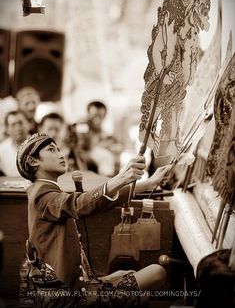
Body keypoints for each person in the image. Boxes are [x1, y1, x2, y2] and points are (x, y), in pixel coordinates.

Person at [16, 132, 170, 307]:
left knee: (135, 285)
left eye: (59, 149)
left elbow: (97, 202)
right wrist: (122, 177)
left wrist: (148, 184)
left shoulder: (46, 191)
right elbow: (80, 203)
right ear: (33, 161)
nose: (60, 154)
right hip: (68, 298)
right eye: (52, 150)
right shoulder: (41, 195)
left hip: (77, 289)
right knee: (157, 273)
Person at [0, 110, 29, 176]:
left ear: (28, 124)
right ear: (7, 129)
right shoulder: (1, 150)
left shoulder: (39, 146)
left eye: (20, 123)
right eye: (13, 125)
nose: (18, 128)